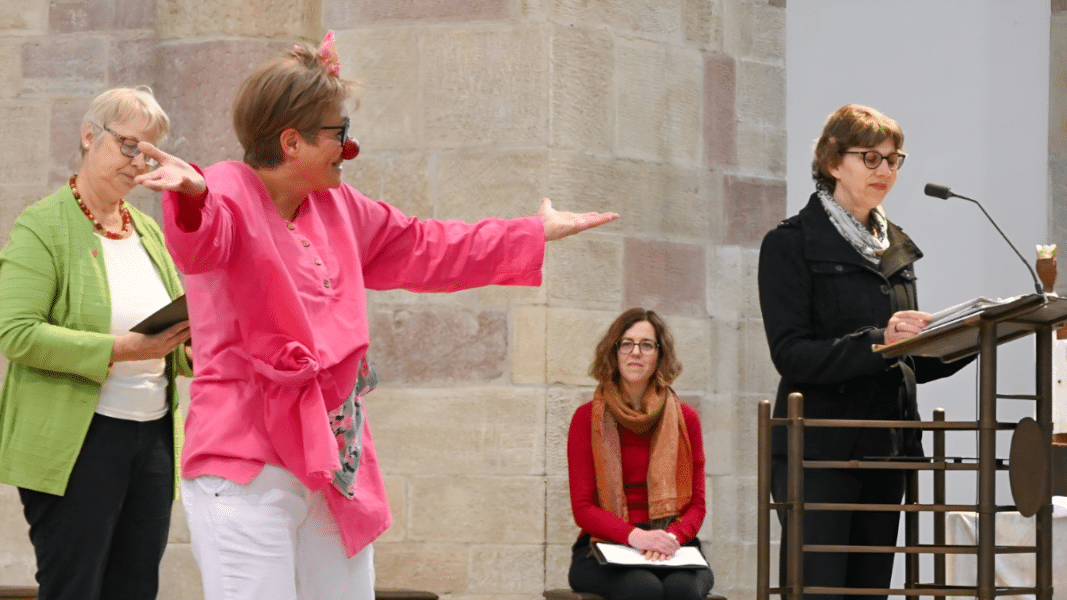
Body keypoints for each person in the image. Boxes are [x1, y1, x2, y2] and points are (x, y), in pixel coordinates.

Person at [131, 32, 617, 599]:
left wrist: (531, 231)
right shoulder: (225, 192)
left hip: (328, 460)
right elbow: (202, 240)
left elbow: (428, 246)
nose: (349, 147)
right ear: (292, 142)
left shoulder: (338, 205)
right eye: (339, 134)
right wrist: (192, 195)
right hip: (244, 463)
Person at [757, 104, 972, 599]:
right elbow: (791, 354)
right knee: (822, 592)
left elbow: (905, 357)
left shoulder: (895, 245)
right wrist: (879, 341)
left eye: (894, 160)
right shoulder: (791, 243)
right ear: (834, 162)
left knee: (871, 591)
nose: (885, 171)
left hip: (886, 445)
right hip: (820, 450)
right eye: (870, 158)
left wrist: (968, 338)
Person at [0, 87, 193, 600]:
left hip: (151, 440)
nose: (138, 163)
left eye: (149, 153)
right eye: (130, 146)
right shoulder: (44, 225)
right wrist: (124, 349)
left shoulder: (148, 230)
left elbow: (172, 338)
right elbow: (16, 334)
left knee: (134, 590)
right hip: (76, 442)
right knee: (75, 589)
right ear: (90, 136)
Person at [566, 308, 715, 600]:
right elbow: (583, 508)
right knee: (642, 588)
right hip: (604, 545)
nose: (636, 352)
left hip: (673, 544)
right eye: (627, 343)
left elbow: (697, 503)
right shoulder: (586, 419)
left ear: (659, 355)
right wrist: (636, 536)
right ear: (614, 352)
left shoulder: (686, 419)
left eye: (646, 345)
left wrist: (670, 539)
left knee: (682, 590)